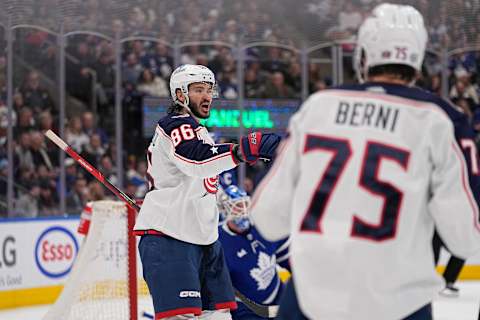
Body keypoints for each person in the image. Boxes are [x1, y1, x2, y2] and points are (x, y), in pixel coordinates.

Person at [250, 4, 480, 320]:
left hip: (312, 298)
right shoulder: (438, 120)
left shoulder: (319, 107)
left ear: (364, 54)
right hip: (400, 303)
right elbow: (465, 239)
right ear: (417, 58)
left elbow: (266, 217)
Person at [132, 64, 280, 320]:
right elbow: (197, 161)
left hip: (204, 241)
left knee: (219, 316)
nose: (207, 96)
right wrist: (242, 150)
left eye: (209, 90)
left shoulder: (200, 132)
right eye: (198, 89)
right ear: (180, 95)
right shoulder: (175, 124)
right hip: (170, 240)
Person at [217, 185, 290, 320]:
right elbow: (218, 289)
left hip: (281, 299)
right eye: (237, 206)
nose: (243, 210)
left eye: (245, 204)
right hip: (247, 311)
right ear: (225, 209)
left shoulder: (261, 224)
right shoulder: (218, 241)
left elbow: (287, 256)